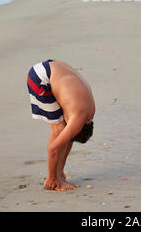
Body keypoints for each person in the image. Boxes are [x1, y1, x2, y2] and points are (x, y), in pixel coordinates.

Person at [27, 59, 95, 191]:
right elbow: (53, 149)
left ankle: (60, 175)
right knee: (59, 129)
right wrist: (52, 177)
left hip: (54, 67)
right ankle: (52, 179)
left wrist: (60, 173)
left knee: (63, 130)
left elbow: (69, 138)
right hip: (41, 78)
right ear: (78, 128)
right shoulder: (77, 118)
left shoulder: (89, 113)